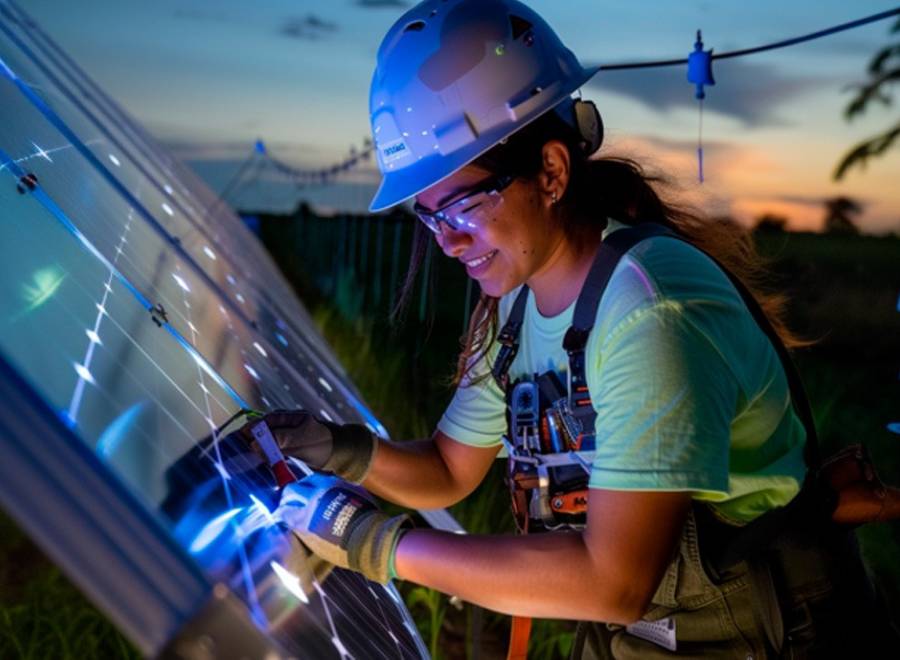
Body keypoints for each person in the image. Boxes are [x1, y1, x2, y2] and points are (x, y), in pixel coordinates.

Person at [244, 1, 898, 657]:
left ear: (551, 172)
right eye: (428, 216)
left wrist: (383, 546)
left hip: (770, 636)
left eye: (464, 206)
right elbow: (448, 468)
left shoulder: (651, 312)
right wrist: (334, 448)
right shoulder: (514, 309)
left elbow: (614, 581)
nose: (446, 241)